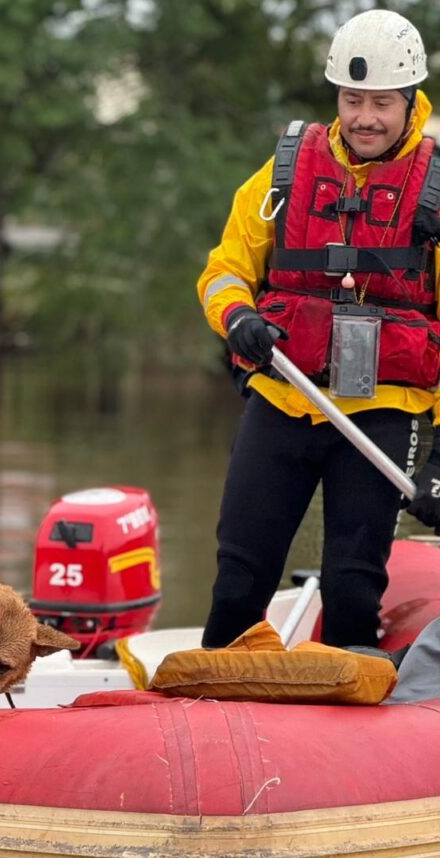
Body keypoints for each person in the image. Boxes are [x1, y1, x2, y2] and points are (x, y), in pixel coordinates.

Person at [197, 10, 440, 650]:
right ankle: (214, 699)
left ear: (410, 100)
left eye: (382, 103)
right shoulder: (284, 171)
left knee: (354, 583)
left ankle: (348, 715)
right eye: (353, 99)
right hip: (284, 393)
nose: (365, 117)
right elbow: (226, 269)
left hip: (383, 410)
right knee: (240, 571)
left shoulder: (434, 190)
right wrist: (239, 318)